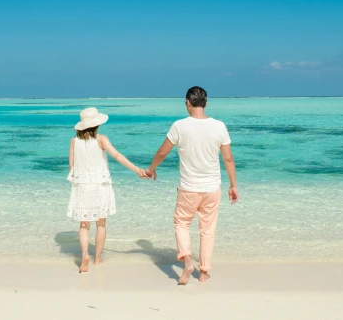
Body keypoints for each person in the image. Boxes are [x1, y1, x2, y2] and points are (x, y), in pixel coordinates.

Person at [146, 86, 239, 285]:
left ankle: (188, 261)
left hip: (188, 187)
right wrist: (233, 185)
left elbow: (162, 152)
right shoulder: (219, 126)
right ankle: (203, 272)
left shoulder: (179, 126)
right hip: (212, 188)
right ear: (205, 103)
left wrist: (152, 168)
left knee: (181, 223)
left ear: (188, 103)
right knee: (207, 230)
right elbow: (228, 159)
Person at [68, 107, 149, 273]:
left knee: (84, 224)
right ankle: (97, 259)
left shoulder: (73, 142)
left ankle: (84, 254)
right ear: (96, 124)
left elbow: (72, 167)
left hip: (82, 186)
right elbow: (118, 156)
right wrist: (137, 170)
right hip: (100, 186)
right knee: (101, 223)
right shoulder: (101, 139)